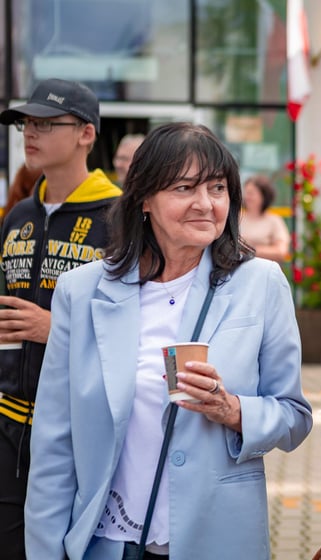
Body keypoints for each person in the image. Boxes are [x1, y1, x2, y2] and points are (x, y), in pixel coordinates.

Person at [24, 123, 313, 559]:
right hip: (107, 542)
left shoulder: (261, 283)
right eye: (184, 188)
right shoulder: (82, 292)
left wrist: (234, 410)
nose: (205, 204)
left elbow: (294, 417)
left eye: (217, 188)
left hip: (216, 539)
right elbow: (53, 443)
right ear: (144, 199)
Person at [0, 78, 122, 560]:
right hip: (9, 422)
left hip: (79, 429)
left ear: (86, 134)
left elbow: (139, 324)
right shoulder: (17, 216)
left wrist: (54, 330)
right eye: (26, 124)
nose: (31, 134)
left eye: (46, 124)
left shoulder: (120, 216)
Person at [240, 174, 291, 262]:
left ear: (263, 196)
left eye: (251, 193)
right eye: (246, 193)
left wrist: (249, 250)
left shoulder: (274, 220)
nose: (247, 197)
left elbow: (281, 252)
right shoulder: (236, 217)